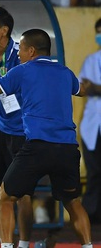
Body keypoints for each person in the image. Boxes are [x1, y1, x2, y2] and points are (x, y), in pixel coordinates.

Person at [0, 29, 94, 248]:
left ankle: (9, 246)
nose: (18, 53)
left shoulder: (21, 71)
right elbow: (81, 90)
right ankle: (88, 246)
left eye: (20, 48)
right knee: (74, 203)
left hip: (37, 147)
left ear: (31, 51)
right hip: (67, 149)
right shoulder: (64, 72)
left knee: (5, 196)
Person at [0, 4, 32, 248]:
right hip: (1, 129)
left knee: (22, 193)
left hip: (23, 131)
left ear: (5, 30)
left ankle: (23, 244)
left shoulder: (21, 55)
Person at [79, 18, 101, 224]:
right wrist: (93, 88)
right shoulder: (91, 60)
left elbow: (93, 87)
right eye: (98, 32)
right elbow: (83, 87)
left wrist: (97, 87)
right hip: (92, 125)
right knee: (94, 170)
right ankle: (92, 213)